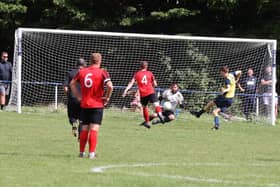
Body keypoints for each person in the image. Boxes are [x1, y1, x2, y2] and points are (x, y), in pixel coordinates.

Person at [70, 53, 113, 159]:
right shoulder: (103, 72)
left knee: (84, 128)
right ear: (100, 61)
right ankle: (92, 154)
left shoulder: (82, 72)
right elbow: (110, 86)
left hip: (85, 104)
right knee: (94, 129)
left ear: (90, 61)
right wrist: (107, 97)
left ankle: (81, 153)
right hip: (97, 104)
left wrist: (78, 96)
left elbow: (72, 84)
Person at [122, 61, 164, 129]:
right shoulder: (150, 73)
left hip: (143, 94)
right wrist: (152, 84)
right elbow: (155, 84)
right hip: (151, 91)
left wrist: (126, 90)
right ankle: (160, 114)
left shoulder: (137, 74)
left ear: (140, 66)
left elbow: (131, 83)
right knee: (156, 104)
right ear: (146, 66)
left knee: (144, 107)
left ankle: (147, 122)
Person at [63, 58, 87, 139]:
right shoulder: (86, 74)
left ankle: (73, 124)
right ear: (84, 65)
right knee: (82, 119)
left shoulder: (70, 73)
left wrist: (69, 96)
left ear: (76, 65)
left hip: (72, 99)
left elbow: (65, 88)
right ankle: (80, 136)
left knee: (72, 117)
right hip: (82, 99)